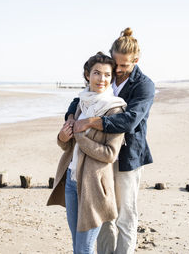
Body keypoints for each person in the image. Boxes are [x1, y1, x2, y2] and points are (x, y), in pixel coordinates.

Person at [64, 28, 155, 254]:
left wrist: (91, 122)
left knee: (125, 215)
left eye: (125, 65)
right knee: (105, 215)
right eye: (117, 64)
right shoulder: (107, 76)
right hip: (100, 157)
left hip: (128, 158)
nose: (119, 70)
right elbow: (80, 99)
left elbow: (130, 121)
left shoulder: (144, 85)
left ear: (136, 60)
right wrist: (71, 118)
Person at [47, 52, 127, 254]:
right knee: (78, 248)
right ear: (87, 75)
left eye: (107, 75)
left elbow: (110, 154)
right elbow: (67, 144)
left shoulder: (115, 110)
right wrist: (63, 137)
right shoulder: (80, 104)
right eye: (97, 73)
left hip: (94, 187)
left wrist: (81, 136)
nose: (102, 79)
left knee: (83, 250)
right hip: (71, 182)